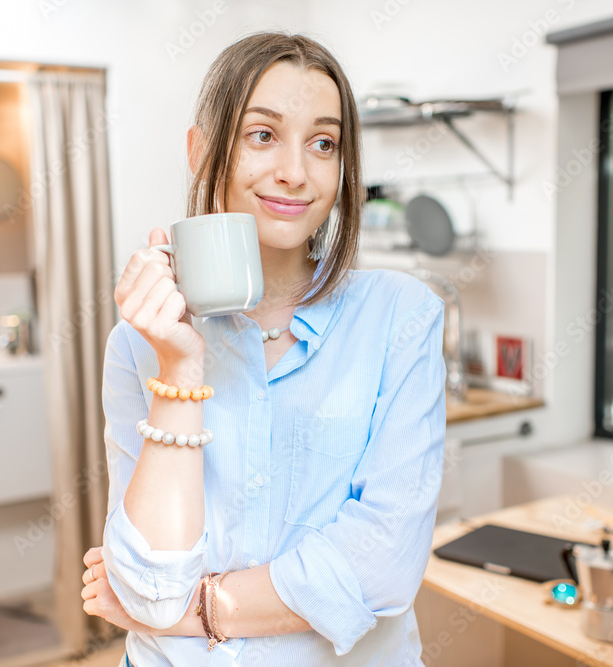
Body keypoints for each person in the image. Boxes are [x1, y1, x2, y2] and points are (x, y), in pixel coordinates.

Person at [80, 31, 447, 666]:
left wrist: (191, 614)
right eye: (262, 134)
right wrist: (180, 364)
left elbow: (382, 566)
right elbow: (147, 588)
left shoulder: (402, 317)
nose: (296, 172)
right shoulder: (138, 345)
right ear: (201, 151)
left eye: (324, 143)